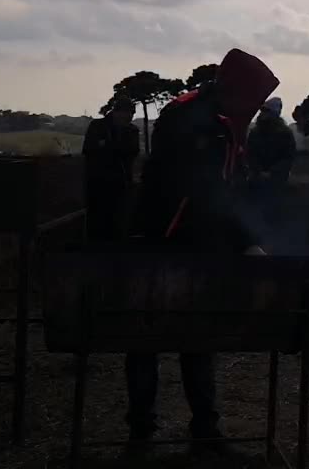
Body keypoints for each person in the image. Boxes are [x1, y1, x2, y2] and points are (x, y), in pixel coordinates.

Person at [125, 48, 276, 451]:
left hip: (201, 245)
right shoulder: (186, 116)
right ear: (235, 89)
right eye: (255, 99)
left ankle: (205, 432)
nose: (257, 108)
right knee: (145, 340)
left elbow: (232, 182)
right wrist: (246, 242)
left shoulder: (225, 122)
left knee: (199, 338)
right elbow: (204, 190)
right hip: (162, 240)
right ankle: (140, 435)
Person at [81, 100, 141, 241]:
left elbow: (132, 152)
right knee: (97, 222)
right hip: (98, 183)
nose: (129, 117)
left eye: (131, 114)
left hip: (121, 182)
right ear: (116, 112)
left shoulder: (132, 130)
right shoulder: (97, 126)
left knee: (118, 223)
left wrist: (107, 146)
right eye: (127, 113)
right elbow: (89, 150)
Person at [247, 96, 297, 189]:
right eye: (263, 110)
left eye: (267, 111)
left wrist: (273, 172)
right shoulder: (255, 132)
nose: (263, 113)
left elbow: (288, 157)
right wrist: (258, 170)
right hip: (256, 178)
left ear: (274, 114)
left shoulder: (285, 134)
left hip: (276, 181)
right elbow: (250, 153)